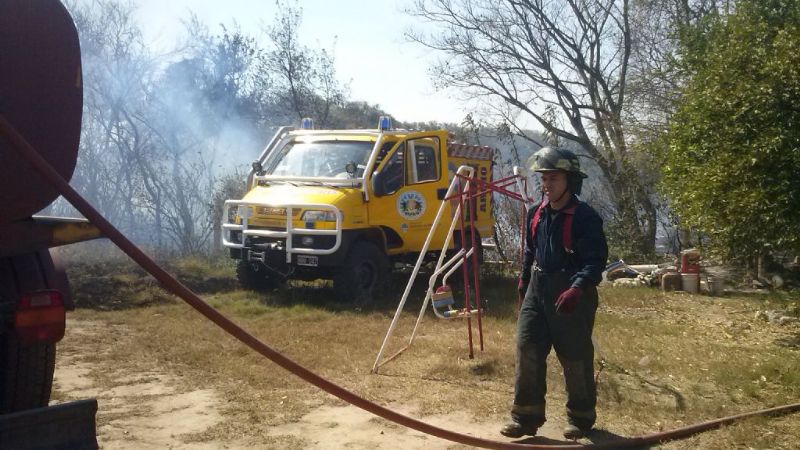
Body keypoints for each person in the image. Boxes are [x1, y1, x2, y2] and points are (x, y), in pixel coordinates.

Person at [501, 147, 608, 440]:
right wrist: (524, 284)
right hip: (538, 289)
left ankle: (581, 419)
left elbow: (595, 261)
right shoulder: (536, 214)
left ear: (570, 181)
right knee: (527, 348)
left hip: (572, 292)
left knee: (574, 355)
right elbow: (529, 252)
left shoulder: (586, 218)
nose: (546, 184)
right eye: (544, 178)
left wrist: (576, 288)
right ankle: (525, 416)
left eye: (554, 178)